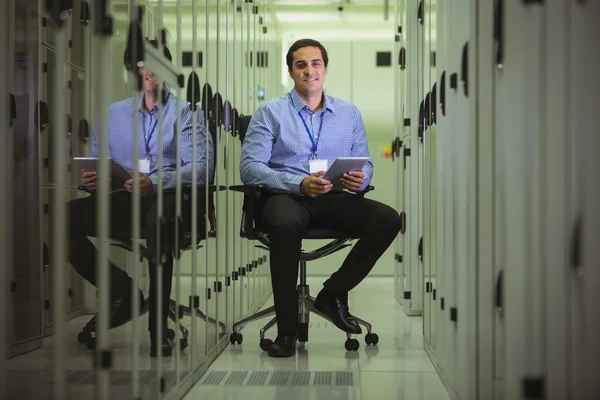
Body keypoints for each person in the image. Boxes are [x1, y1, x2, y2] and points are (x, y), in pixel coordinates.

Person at [240, 38, 401, 357]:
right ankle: (287, 332)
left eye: (315, 64)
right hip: (286, 196)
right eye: (301, 64)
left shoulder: (348, 113)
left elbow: (365, 161)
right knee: (286, 226)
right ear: (290, 71)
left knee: (388, 219)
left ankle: (333, 292)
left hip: (334, 197)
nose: (309, 70)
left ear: (325, 70)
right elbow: (250, 167)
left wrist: (360, 179)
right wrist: (299, 183)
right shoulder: (270, 112)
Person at [68, 40, 214, 357]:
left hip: (169, 199)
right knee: (65, 217)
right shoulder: (113, 113)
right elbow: (97, 163)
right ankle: (121, 291)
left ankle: (158, 327)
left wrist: (156, 181)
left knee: (158, 220)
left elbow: (200, 168)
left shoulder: (187, 113)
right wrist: (92, 179)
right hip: (123, 198)